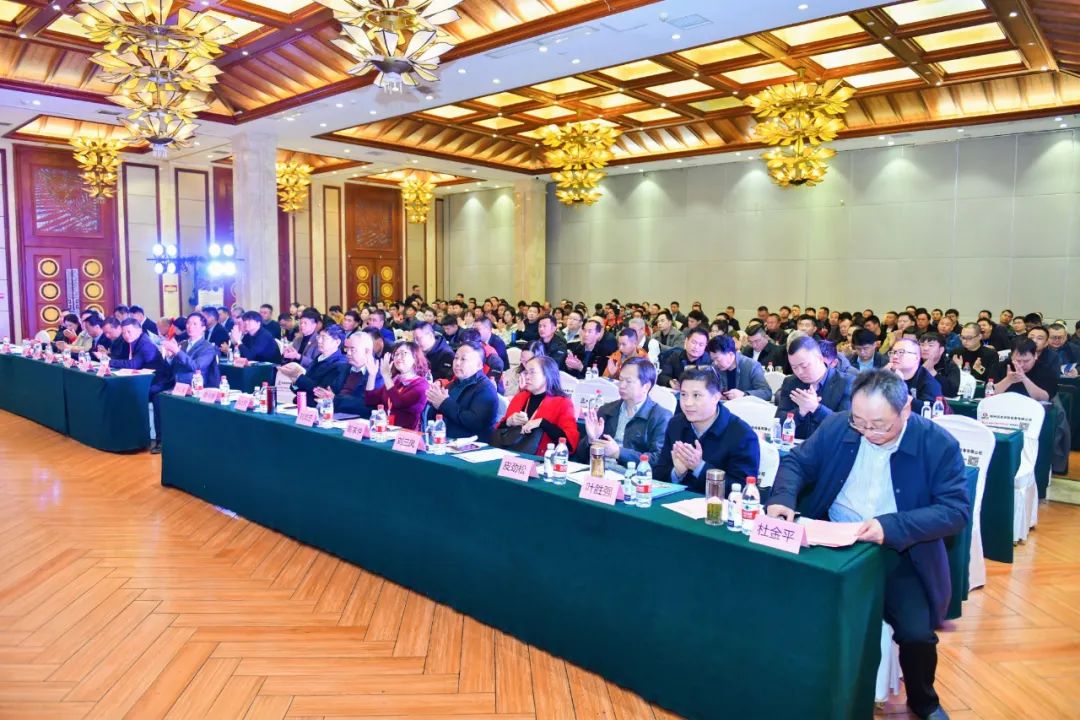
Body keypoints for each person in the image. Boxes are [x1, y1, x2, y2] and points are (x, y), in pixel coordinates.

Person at [768, 370, 967, 720]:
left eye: (879, 425)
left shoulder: (937, 443)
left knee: (916, 633)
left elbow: (955, 511)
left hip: (900, 551)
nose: (866, 432)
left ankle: (924, 701)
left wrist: (890, 526)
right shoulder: (839, 425)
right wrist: (782, 499)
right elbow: (797, 462)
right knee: (789, 604)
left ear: (906, 409)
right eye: (859, 422)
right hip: (832, 540)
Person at [653, 366, 760, 493]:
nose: (687, 403)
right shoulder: (676, 424)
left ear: (716, 397)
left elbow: (742, 488)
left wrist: (699, 467)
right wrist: (677, 473)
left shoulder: (742, 435)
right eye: (683, 394)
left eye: (696, 395)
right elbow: (658, 476)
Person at [575, 357, 671, 469]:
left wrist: (619, 453)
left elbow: (658, 461)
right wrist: (591, 440)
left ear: (646, 386)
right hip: (599, 473)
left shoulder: (661, 417)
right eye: (620, 380)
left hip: (633, 476)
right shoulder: (606, 410)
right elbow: (580, 457)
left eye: (628, 381)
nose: (622, 385)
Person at [151, 312, 220, 453]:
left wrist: (177, 351)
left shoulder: (208, 347)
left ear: (203, 328)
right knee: (157, 397)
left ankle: (185, 441)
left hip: (194, 386)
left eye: (194, 324)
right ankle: (161, 441)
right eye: (188, 323)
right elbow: (171, 368)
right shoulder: (183, 343)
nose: (190, 327)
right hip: (176, 384)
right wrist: (169, 357)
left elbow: (196, 367)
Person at [497, 355, 579, 456]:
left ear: (547, 375)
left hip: (542, 458)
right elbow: (499, 431)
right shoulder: (520, 397)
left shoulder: (563, 402)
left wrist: (542, 423)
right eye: (526, 372)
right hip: (511, 453)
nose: (527, 377)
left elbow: (570, 444)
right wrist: (508, 422)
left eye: (532, 372)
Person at [776, 336, 854, 439]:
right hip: (796, 445)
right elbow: (778, 422)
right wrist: (800, 412)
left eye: (804, 366)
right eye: (794, 367)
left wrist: (816, 408)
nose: (799, 372)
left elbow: (845, 426)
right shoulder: (791, 382)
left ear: (820, 359)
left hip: (828, 445)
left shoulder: (847, 383)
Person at [425, 340, 501, 442]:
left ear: (479, 365)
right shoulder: (453, 384)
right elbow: (435, 418)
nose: (457, 363)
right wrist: (434, 402)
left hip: (473, 445)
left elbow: (476, 423)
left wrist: (444, 403)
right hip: (446, 441)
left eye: (463, 359)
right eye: (456, 358)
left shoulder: (486, 389)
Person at [315, 330, 383, 418]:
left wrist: (335, 399)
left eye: (352, 349)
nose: (348, 353)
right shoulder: (343, 368)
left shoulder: (377, 374)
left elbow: (365, 405)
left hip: (359, 420)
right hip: (335, 414)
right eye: (347, 349)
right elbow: (331, 391)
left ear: (367, 351)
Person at [365, 341, 430, 431]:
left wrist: (387, 377)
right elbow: (370, 400)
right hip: (385, 430)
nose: (398, 357)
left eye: (403, 353)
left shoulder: (422, 385)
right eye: (396, 354)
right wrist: (372, 375)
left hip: (406, 434)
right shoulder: (395, 380)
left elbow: (399, 403)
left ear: (415, 358)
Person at [280, 324, 350, 396]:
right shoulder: (319, 358)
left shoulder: (340, 364)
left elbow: (321, 391)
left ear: (337, 342)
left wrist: (298, 376)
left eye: (324, 338)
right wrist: (294, 380)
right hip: (302, 399)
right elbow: (298, 389)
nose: (319, 341)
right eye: (319, 337)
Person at [706, 334, 771, 401]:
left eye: (717, 359)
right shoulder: (715, 368)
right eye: (713, 360)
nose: (715, 363)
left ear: (731, 355)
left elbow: (766, 393)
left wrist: (744, 395)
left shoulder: (751, 366)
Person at [990, 337, 1057, 402]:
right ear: (1011, 356)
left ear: (1035, 356)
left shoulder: (1046, 370)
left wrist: (1024, 379)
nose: (1021, 365)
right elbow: (990, 394)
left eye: (1026, 361)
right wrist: (1008, 380)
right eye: (1018, 361)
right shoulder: (999, 367)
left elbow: (1044, 398)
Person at [887, 336, 942, 414]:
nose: (895, 356)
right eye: (893, 352)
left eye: (901, 352)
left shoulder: (928, 382)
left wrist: (900, 391)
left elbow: (929, 411)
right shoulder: (886, 375)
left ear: (916, 358)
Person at [919, 333, 960, 399]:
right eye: (922, 345)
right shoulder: (913, 362)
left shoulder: (950, 366)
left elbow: (952, 392)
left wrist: (932, 371)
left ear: (941, 350)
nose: (925, 348)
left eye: (930, 345)